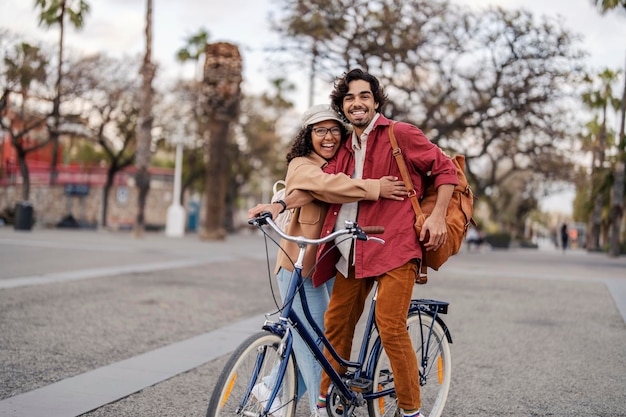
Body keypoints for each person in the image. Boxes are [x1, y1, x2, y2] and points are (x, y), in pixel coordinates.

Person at [311, 69, 459, 417]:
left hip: (396, 246)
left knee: (390, 324)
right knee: (336, 325)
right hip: (352, 250)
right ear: (342, 106)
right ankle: (326, 403)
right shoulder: (343, 147)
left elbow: (446, 169)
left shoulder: (400, 134)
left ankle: (411, 411)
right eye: (349, 98)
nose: (357, 103)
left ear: (375, 101)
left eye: (364, 95)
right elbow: (319, 185)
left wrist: (437, 216)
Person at [248, 104, 407, 416]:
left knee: (323, 342)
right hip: (298, 267)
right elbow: (320, 186)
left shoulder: (345, 163)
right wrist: (376, 188)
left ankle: (271, 386)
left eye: (334, 129)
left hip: (331, 263)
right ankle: (319, 410)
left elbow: (318, 192)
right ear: (308, 135)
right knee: (319, 347)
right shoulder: (301, 163)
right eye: (319, 130)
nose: (328, 136)